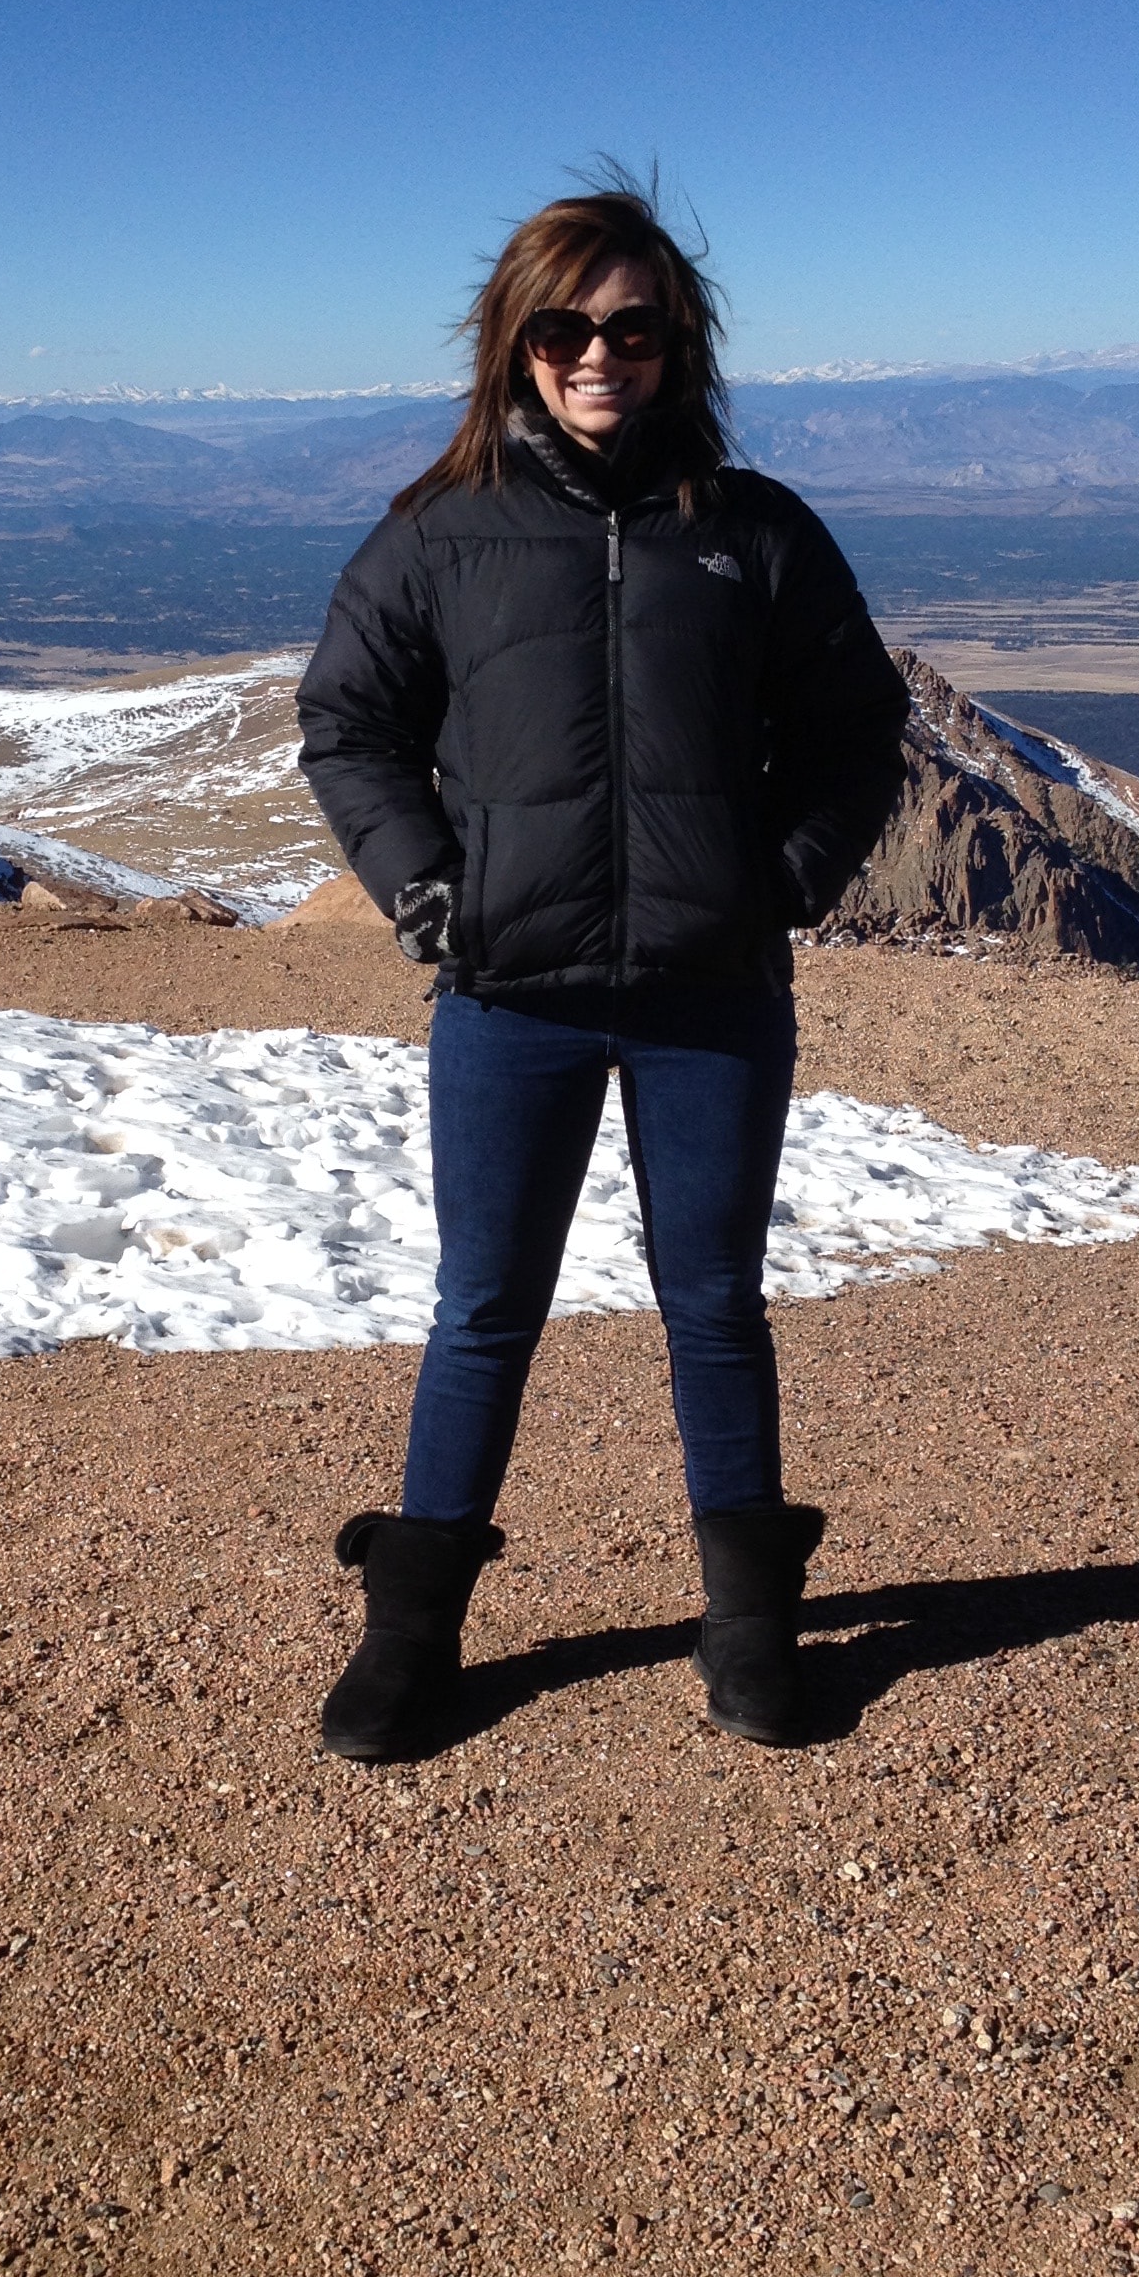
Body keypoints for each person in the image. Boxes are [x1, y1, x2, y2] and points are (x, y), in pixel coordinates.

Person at [296, 173, 911, 1759]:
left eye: (630, 328)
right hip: (509, 994)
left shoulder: (752, 531)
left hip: (714, 993)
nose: (598, 356)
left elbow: (857, 731)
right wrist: (427, 893)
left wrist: (776, 884)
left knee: (714, 1301)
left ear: (675, 343)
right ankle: (416, 1632)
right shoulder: (442, 533)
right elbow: (348, 725)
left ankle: (751, 1627)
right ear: (515, 342)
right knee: (485, 1307)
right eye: (565, 326)